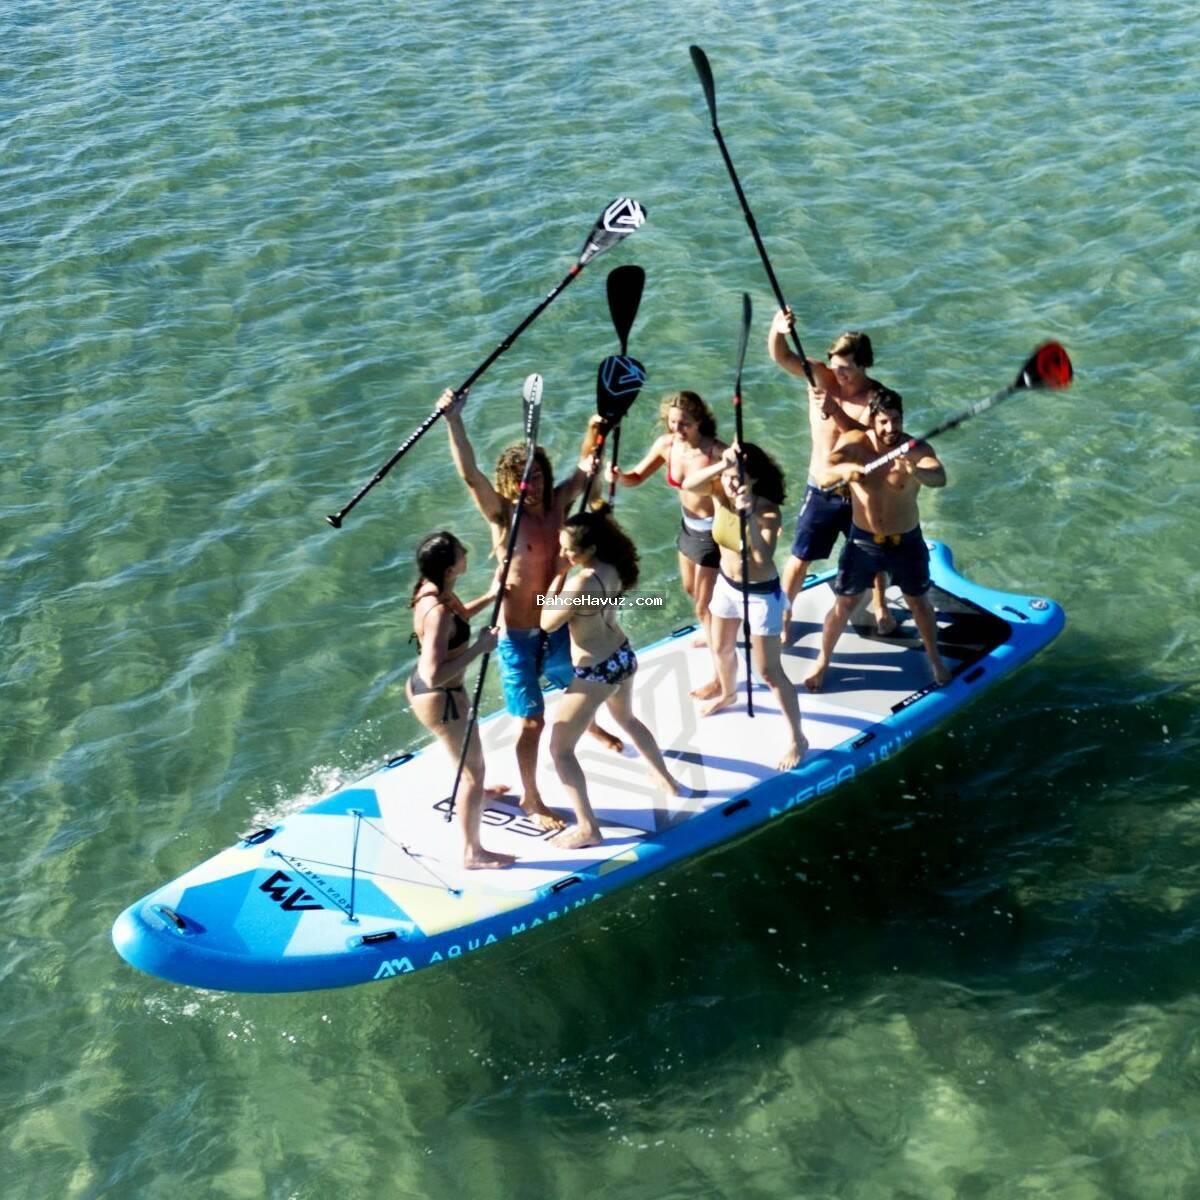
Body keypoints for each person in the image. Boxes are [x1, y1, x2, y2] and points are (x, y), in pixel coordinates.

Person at [437, 387, 622, 831]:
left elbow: (586, 467)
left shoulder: (559, 503)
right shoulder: (503, 516)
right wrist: (453, 420)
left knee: (582, 685)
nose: (532, 486)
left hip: (556, 627)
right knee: (532, 723)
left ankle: (589, 726)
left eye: (537, 476)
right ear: (509, 482)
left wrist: (597, 426)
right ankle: (532, 797)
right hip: (518, 636)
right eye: (523, 479)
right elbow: (470, 476)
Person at [539, 504, 683, 848]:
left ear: (590, 549)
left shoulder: (580, 583)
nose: (564, 555)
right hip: (622, 655)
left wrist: (557, 578)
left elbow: (547, 622)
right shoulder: (613, 567)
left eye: (569, 550)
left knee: (560, 750)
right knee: (627, 719)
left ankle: (588, 828)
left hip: (596, 670)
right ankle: (667, 779)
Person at [805, 386, 952, 692]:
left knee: (919, 604)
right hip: (863, 543)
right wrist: (847, 470)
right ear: (872, 421)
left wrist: (915, 470)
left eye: (896, 420)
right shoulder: (855, 443)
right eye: (883, 422)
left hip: (906, 542)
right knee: (843, 604)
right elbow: (823, 476)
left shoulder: (915, 449)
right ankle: (822, 661)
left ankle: (935, 658)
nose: (890, 428)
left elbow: (939, 477)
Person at [767, 309, 895, 639]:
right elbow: (782, 356)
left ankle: (881, 605)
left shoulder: (875, 399)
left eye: (847, 370)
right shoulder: (820, 377)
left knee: (875, 556)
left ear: (864, 365)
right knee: (799, 558)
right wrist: (778, 329)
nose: (839, 376)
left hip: (858, 492)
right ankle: (784, 615)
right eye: (835, 367)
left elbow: (864, 440)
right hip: (821, 487)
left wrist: (835, 410)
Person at [681, 443, 809, 771]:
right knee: (720, 648)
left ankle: (798, 738)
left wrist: (746, 516)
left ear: (753, 481)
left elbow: (762, 557)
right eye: (728, 477)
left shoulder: (767, 512)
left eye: (738, 479)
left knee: (769, 672)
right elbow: (688, 485)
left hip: (760, 595)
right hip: (727, 586)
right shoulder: (718, 492)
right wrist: (722, 464)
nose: (730, 484)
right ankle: (728, 693)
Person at [606, 391, 728, 697]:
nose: (677, 428)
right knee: (690, 590)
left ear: (699, 421)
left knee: (703, 606)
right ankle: (714, 629)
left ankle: (720, 677)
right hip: (688, 528)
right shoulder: (667, 445)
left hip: (713, 533)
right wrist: (618, 476)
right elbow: (636, 477)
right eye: (673, 422)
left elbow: (745, 482)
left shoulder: (715, 451)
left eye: (684, 423)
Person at [406, 531, 513, 869]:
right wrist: (481, 647)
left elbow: (460, 617)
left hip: (441, 693)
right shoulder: (436, 610)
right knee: (473, 773)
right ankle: (472, 853)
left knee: (469, 764)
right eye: (460, 551)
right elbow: (433, 674)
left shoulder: (432, 588)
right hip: (441, 697)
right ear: (450, 568)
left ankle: (478, 797)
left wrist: (492, 594)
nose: (466, 552)